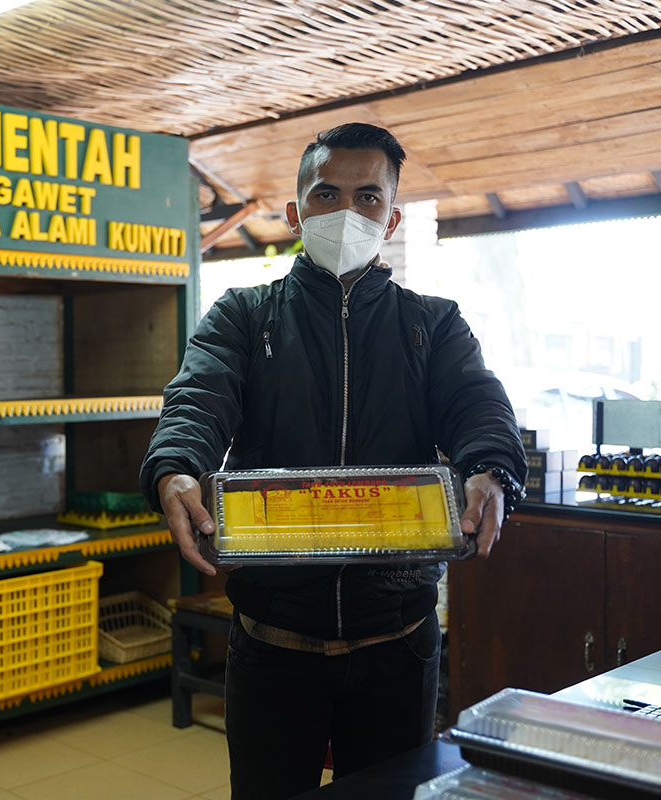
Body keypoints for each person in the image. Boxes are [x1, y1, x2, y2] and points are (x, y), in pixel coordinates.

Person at [140, 123, 527, 799]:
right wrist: (176, 465)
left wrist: (492, 467)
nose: (347, 212)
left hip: (398, 643)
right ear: (295, 211)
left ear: (392, 216)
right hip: (271, 640)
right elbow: (199, 395)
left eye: (368, 196)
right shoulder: (243, 316)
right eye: (327, 193)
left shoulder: (433, 325)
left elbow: (476, 403)